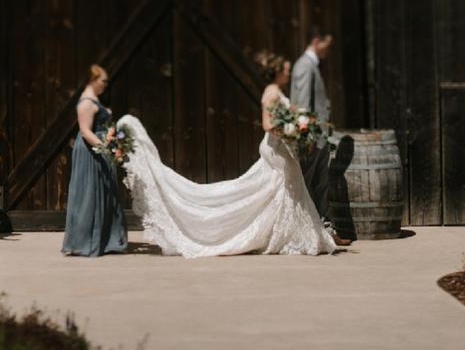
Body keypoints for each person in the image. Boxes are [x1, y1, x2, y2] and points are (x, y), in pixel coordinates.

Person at [118, 52, 338, 256]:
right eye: (287, 70)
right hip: (276, 150)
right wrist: (292, 129)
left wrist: (299, 123)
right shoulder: (271, 93)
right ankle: (286, 235)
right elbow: (268, 124)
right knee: (279, 189)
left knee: (281, 191)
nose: (289, 74)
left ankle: (287, 234)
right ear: (278, 72)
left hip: (281, 149)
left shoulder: (276, 91)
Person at [61, 64, 128, 256]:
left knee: (104, 192)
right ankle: (85, 241)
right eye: (103, 81)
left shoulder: (95, 100)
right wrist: (106, 148)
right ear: (93, 80)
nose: (105, 84)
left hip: (99, 148)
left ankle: (107, 239)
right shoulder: (86, 103)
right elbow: (85, 131)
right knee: (90, 193)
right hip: (91, 151)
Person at [290, 33, 350, 245]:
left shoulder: (310, 65)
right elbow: (303, 104)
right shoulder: (305, 66)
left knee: (320, 184)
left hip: (320, 136)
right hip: (312, 137)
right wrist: (306, 136)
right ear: (317, 41)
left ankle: (326, 233)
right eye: (327, 45)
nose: (328, 50)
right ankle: (306, 233)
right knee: (308, 184)